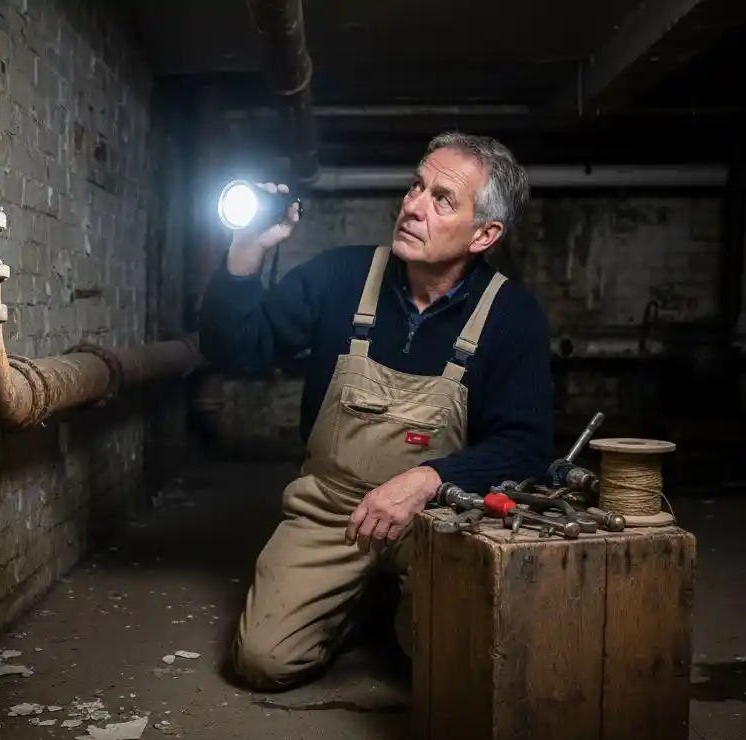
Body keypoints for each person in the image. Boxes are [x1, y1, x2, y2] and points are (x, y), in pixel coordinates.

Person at [198, 132, 555, 691]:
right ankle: (354, 601)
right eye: (417, 185)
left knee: (443, 662)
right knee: (263, 662)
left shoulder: (512, 316)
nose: (413, 205)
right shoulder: (340, 277)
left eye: (442, 199)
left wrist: (425, 481)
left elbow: (526, 446)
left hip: (439, 520)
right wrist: (245, 253)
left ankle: (390, 596)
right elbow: (234, 348)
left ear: (485, 234)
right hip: (333, 509)